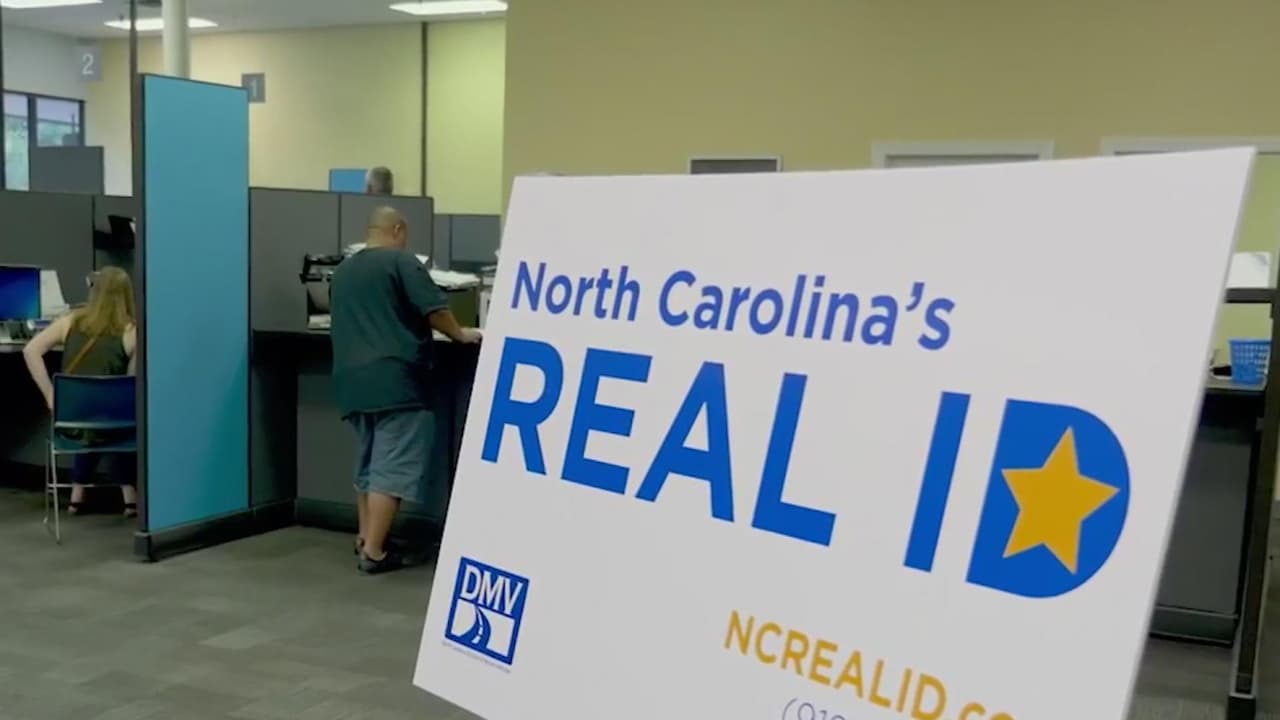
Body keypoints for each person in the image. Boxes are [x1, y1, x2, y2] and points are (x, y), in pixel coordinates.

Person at [331, 206, 481, 574]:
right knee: (392, 465)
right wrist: (460, 334)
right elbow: (434, 310)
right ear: (397, 229)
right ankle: (375, 552)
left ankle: (366, 537)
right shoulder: (401, 262)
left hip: (352, 381)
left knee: (368, 463)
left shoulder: (344, 270)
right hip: (396, 379)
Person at [23, 267, 139, 517]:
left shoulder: (70, 321)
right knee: (113, 418)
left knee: (87, 417)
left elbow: (30, 350)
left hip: (70, 421)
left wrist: (50, 394)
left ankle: (77, 495)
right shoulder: (132, 332)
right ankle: (130, 495)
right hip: (114, 423)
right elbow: (131, 383)